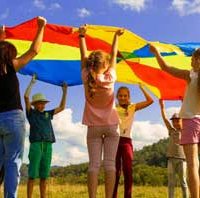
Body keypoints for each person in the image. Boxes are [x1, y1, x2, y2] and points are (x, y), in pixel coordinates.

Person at [0, 16, 47, 198]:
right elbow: (34, 50)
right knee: (12, 163)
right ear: (9, 56)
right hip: (12, 121)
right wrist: (41, 27)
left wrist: (0, 37)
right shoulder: (10, 67)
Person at [149, 45, 200, 198]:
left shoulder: (191, 75)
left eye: (193, 59)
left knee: (193, 163)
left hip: (191, 121)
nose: (190, 62)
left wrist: (156, 52)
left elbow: (165, 67)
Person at [79, 24, 125, 198]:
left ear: (90, 65)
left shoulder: (86, 77)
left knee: (94, 165)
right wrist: (116, 36)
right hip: (112, 126)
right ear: (105, 65)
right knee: (110, 164)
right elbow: (114, 54)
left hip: (93, 127)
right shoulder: (110, 77)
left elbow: (83, 56)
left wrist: (82, 36)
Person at [24, 74, 67, 198]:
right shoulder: (31, 114)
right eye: (39, 103)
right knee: (32, 175)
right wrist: (31, 83)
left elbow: (62, 107)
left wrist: (64, 91)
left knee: (44, 176)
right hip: (36, 145)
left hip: (48, 145)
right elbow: (26, 97)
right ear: (35, 104)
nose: (42, 105)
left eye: (43, 103)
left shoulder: (48, 114)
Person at [113, 84, 153, 198]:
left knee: (128, 170)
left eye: (125, 95)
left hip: (126, 141)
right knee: (115, 172)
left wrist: (142, 87)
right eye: (120, 96)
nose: (123, 98)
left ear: (129, 96)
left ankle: (128, 196)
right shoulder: (114, 108)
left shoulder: (133, 107)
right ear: (117, 97)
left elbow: (150, 101)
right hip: (114, 140)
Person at [159, 100, 188, 198]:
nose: (175, 122)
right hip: (171, 159)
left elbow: (187, 113)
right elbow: (165, 119)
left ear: (181, 120)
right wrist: (162, 107)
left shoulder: (185, 130)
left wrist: (184, 102)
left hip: (182, 160)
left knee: (183, 182)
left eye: (177, 120)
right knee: (171, 183)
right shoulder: (171, 131)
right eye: (174, 121)